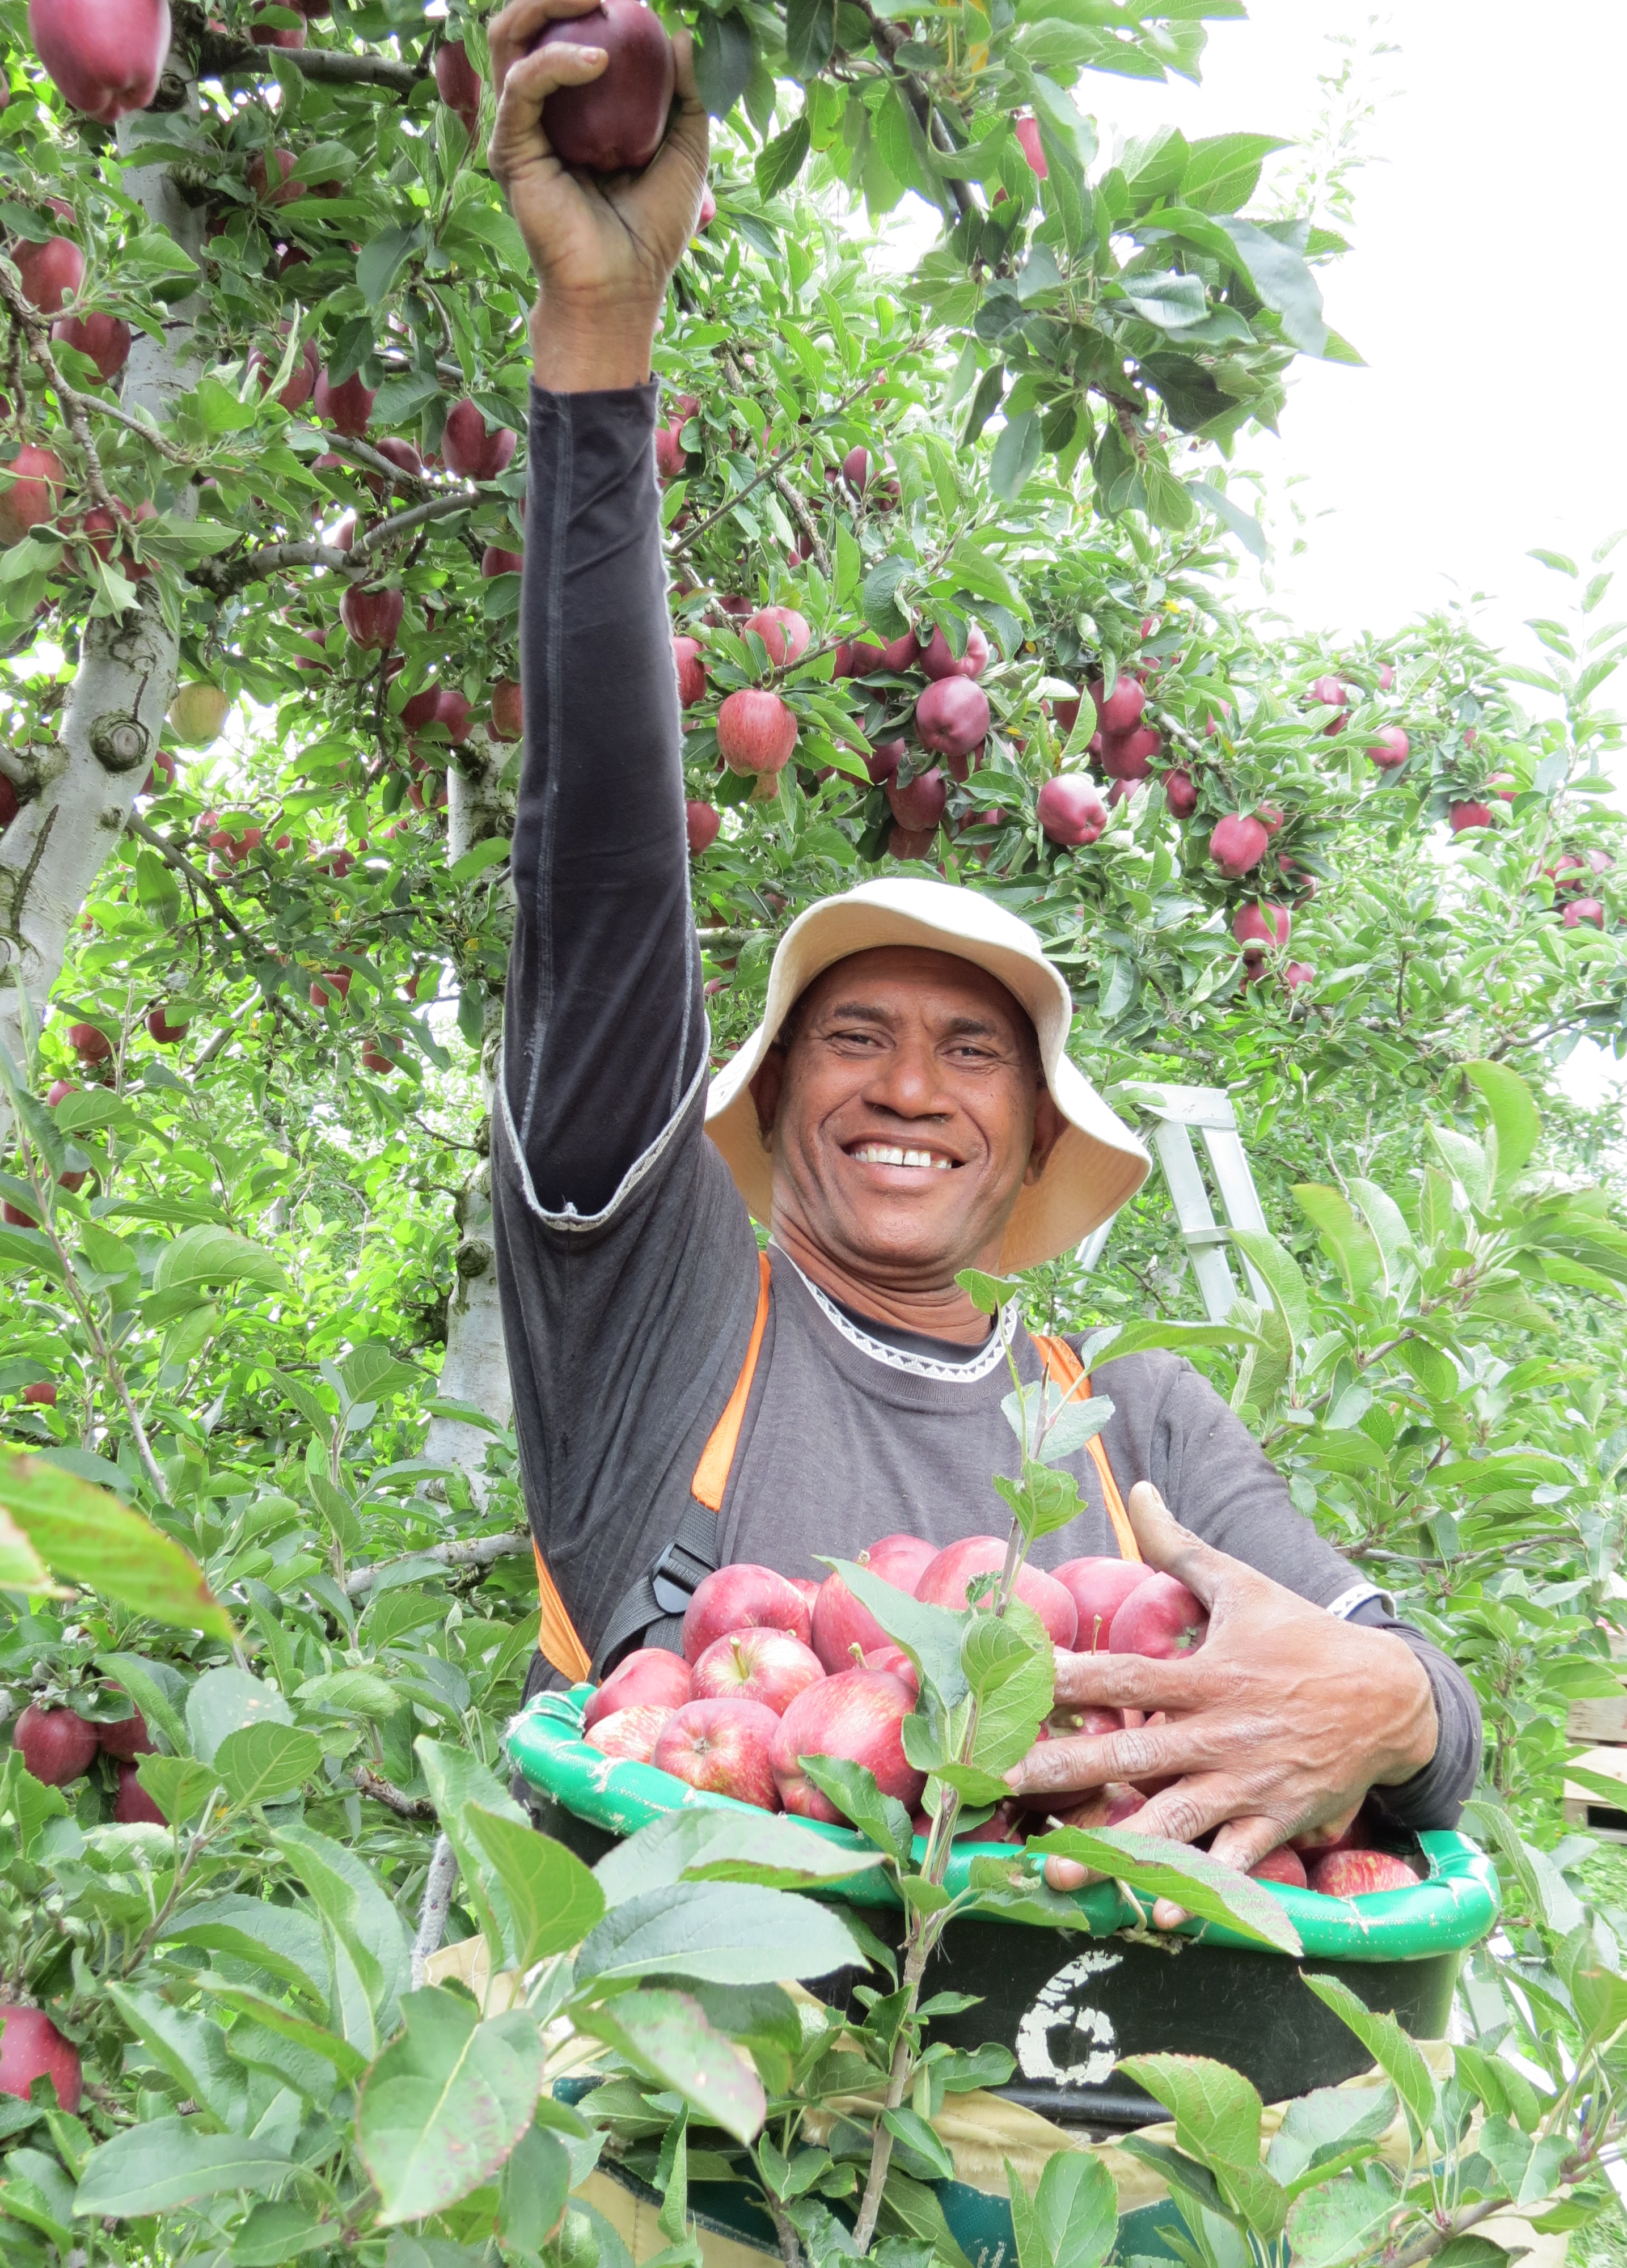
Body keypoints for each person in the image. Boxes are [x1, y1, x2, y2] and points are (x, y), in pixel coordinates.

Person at [484, 0, 1481, 1891]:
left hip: (1074, 2119)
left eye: (976, 1053)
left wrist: (1393, 1714)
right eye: (852, 1037)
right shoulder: (671, 1324)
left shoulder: (1134, 1430)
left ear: (1035, 1137)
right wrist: (601, 351)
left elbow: (1424, 1711)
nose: (912, 1090)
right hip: (687, 2147)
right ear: (770, 1101)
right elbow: (605, 891)